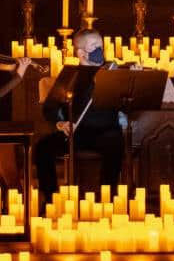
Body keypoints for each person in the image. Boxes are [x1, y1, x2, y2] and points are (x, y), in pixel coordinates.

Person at [33, 29, 124, 202]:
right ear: (81, 53)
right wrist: (61, 123)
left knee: (115, 145)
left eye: (101, 45)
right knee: (43, 148)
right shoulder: (70, 75)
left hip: (107, 131)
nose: (100, 50)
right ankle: (51, 199)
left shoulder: (111, 71)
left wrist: (132, 74)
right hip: (77, 132)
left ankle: (107, 199)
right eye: (94, 46)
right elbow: (50, 107)